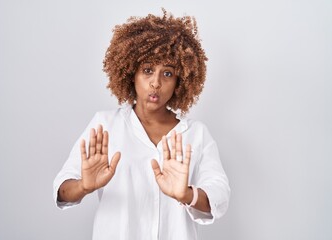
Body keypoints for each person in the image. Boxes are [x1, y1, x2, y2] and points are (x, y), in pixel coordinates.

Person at [53, 9, 230, 240]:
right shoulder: (104, 125)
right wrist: (84, 186)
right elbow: (62, 190)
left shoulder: (196, 133)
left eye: (167, 73)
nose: (156, 82)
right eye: (147, 70)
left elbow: (219, 194)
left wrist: (187, 195)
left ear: (179, 82)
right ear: (131, 73)